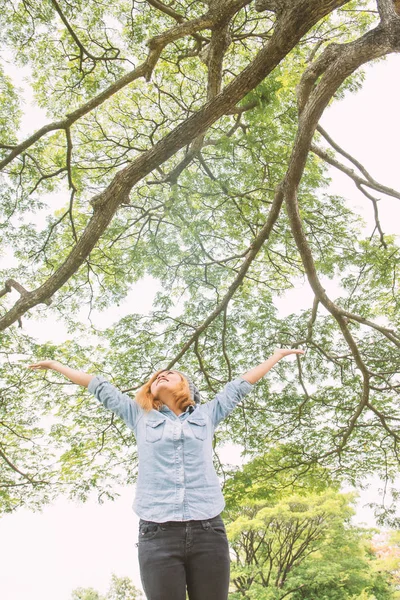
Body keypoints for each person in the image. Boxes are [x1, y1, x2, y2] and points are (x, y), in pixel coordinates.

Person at [29, 348, 304, 600]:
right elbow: (98, 385)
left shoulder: (207, 415)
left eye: (170, 374)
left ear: (187, 387)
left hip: (208, 529)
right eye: (157, 377)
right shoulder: (138, 415)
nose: (161, 375)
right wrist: (56, 365)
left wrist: (276, 356)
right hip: (157, 533)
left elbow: (240, 386)